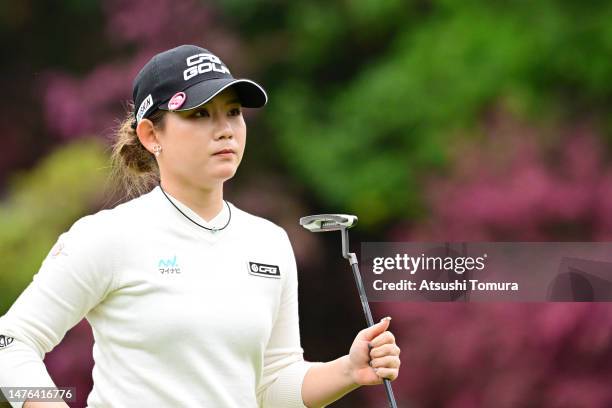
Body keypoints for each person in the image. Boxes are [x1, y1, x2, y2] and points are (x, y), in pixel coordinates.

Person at [0, 44, 401, 408]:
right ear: (151, 134)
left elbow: (272, 384)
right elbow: (10, 342)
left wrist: (348, 370)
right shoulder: (107, 236)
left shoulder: (269, 242)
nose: (225, 128)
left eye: (233, 113)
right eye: (199, 114)